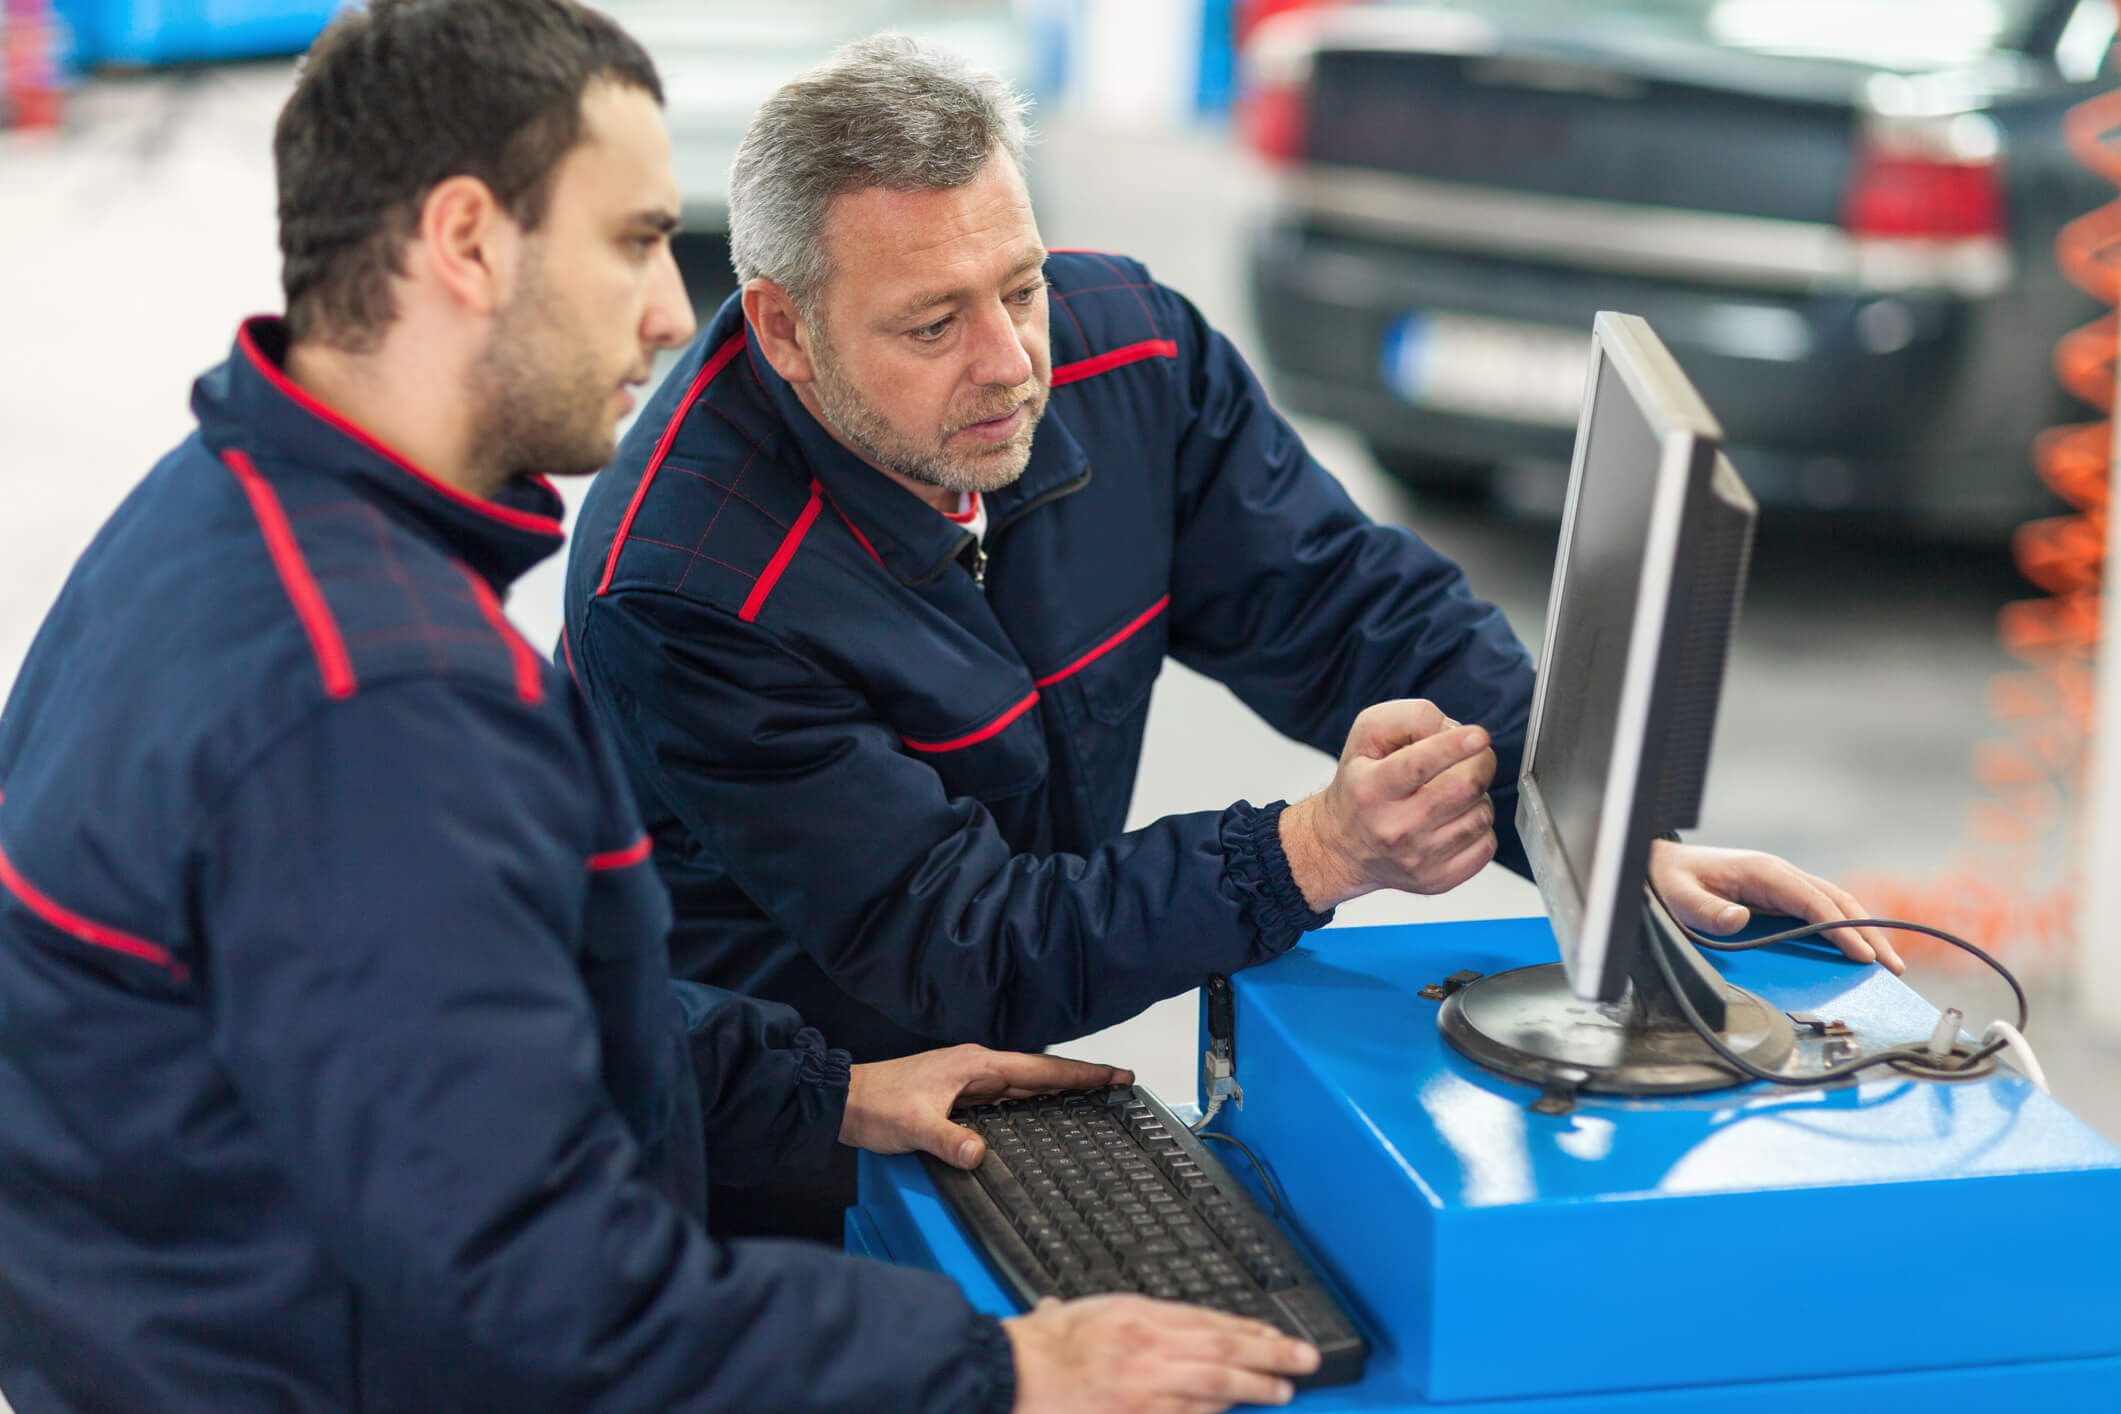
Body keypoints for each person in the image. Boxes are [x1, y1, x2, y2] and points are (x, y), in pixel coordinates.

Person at [0, 4, 1325, 1410]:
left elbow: (479, 1029)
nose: (662, 312)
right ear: (465, 242)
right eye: (634, 240)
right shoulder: (378, 704)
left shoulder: (224, 509)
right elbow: (554, 1297)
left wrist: (824, 1095)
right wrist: (1000, 1365)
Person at [560, 33, 1905, 1239]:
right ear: (786, 330)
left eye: (1016, 286)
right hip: (770, 1134)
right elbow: (958, 937)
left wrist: (1600, 833)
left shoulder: (1126, 352)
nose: (1008, 361)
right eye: (930, 323)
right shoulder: (686, 582)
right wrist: (1313, 849)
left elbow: (1342, 601)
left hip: (992, 1099)